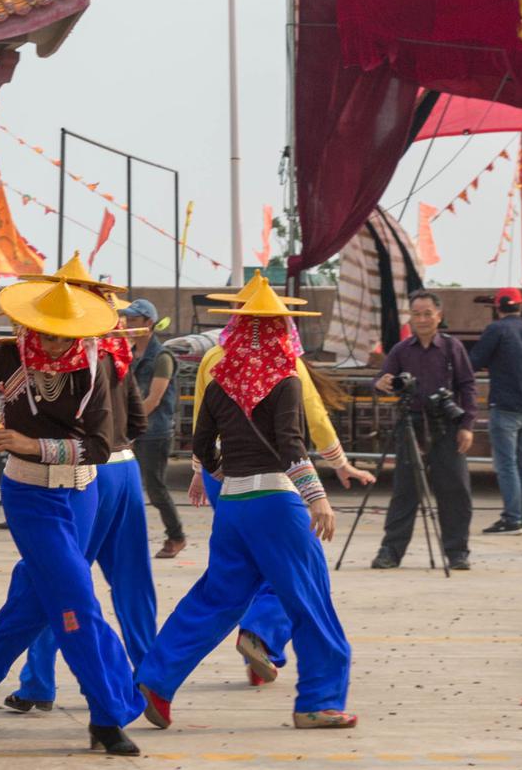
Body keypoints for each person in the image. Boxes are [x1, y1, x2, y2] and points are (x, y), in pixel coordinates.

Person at [135, 282, 356, 732]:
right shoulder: (285, 378)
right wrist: (318, 498)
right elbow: (292, 444)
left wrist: (222, 473)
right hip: (277, 503)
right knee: (310, 602)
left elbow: (199, 445)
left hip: (233, 504)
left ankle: (156, 679)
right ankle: (319, 699)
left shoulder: (219, 381)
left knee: (217, 597)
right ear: (281, 330)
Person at [0, 276, 144, 757]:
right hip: (30, 497)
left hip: (82, 494)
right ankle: (108, 714)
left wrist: (28, 442)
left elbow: (99, 447)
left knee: (37, 599)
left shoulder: (95, 364)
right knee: (78, 600)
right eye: (44, 333)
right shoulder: (11, 355)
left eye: (62, 335)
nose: (52, 344)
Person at [191, 272, 372, 687]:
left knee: (244, 569)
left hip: (228, 480)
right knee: (295, 570)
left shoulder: (214, 358)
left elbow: (202, 425)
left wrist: (205, 473)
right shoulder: (284, 362)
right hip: (276, 483)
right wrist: (338, 466)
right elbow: (309, 420)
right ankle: (263, 635)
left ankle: (249, 658)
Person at [4, 286, 155, 716]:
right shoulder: (115, 350)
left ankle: (37, 682)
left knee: (58, 581)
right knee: (132, 582)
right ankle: (152, 678)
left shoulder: (71, 359)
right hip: (126, 469)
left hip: (83, 475)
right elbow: (138, 420)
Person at [372, 290, 477, 571]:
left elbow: (467, 386)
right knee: (405, 490)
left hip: (447, 425)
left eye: (427, 313)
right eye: (416, 314)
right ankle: (390, 551)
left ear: (439, 316)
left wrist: (467, 425)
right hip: (411, 425)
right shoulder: (401, 350)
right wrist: (381, 382)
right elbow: (382, 378)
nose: (422, 319)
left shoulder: (453, 348)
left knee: (455, 490)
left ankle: (457, 552)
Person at [473, 287, 522, 535]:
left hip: (503, 405)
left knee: (506, 466)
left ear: (497, 308)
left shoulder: (496, 329)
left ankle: (512, 519)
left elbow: (474, 361)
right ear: (521, 306)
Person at [124, 298, 187, 558]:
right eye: (127, 320)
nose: (128, 324)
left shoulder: (161, 357)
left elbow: (154, 398)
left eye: (134, 320)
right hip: (136, 429)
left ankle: (176, 535)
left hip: (154, 431)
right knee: (127, 486)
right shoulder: (129, 354)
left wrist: (130, 428)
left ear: (149, 323)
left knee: (156, 487)